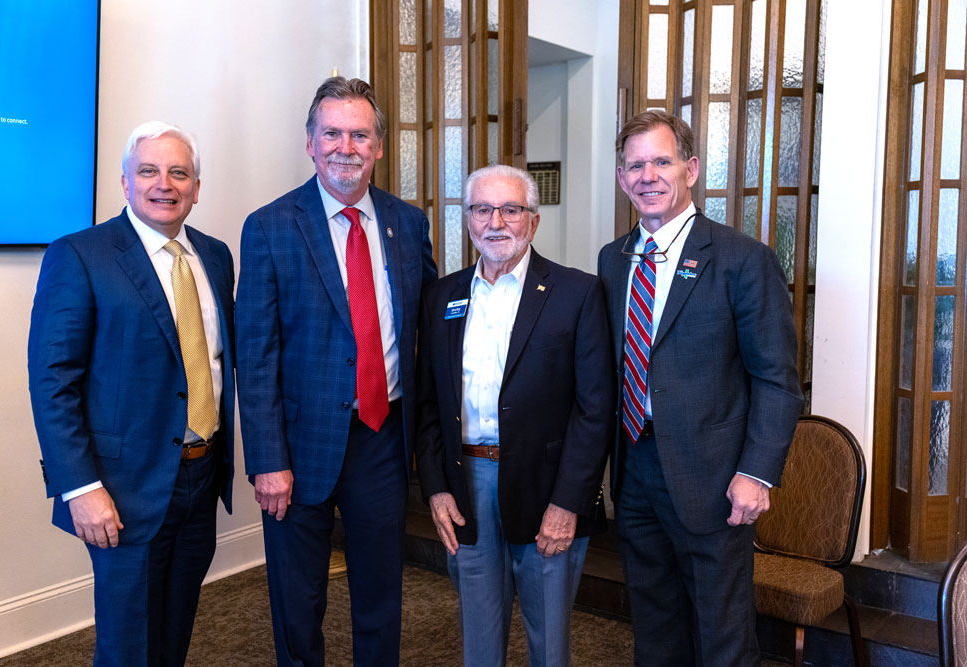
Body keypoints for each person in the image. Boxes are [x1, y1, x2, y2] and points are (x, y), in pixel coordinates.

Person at [236, 76, 437, 666]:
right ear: (310, 141)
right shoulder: (270, 227)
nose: (345, 146)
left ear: (378, 145)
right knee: (298, 598)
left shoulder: (408, 223)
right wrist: (268, 459)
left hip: (383, 435)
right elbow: (256, 354)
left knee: (381, 589)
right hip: (298, 447)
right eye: (332, 133)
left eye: (359, 134)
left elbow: (426, 323)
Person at [597, 110, 804, 666]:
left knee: (723, 638)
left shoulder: (742, 259)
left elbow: (778, 381)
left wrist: (756, 474)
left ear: (689, 169)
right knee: (655, 626)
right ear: (621, 179)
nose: (648, 176)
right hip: (635, 469)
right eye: (635, 165)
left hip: (714, 478)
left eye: (661, 161)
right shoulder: (613, 262)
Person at [28, 121, 236, 666]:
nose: (163, 184)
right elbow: (53, 380)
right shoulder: (80, 255)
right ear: (125, 182)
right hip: (123, 490)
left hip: (200, 475)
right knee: (128, 647)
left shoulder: (215, 257)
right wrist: (80, 487)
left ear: (196, 186)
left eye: (178, 172)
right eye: (148, 170)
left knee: (174, 633)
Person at [416, 164, 613, 667]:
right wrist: (436, 487)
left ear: (533, 220)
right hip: (467, 487)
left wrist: (569, 502)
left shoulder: (577, 293)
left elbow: (595, 410)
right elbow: (428, 403)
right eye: (482, 209)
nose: (495, 222)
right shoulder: (442, 296)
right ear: (468, 220)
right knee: (478, 639)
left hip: (547, 488)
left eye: (510, 209)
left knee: (549, 643)